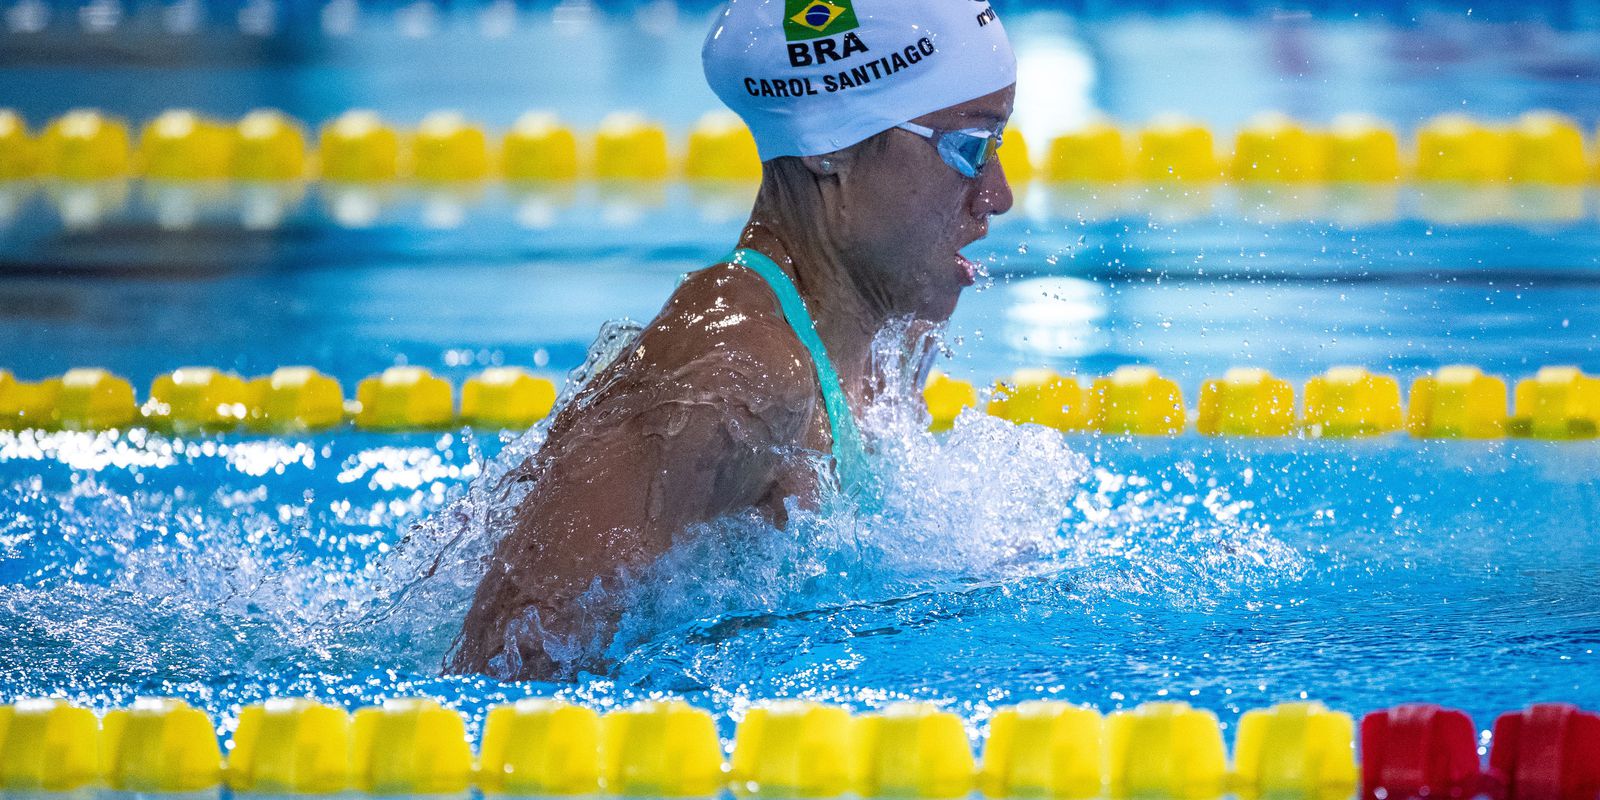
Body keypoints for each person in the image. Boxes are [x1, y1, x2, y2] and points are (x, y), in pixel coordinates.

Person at [447, 0, 1017, 681]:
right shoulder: (735, 377)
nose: (998, 194)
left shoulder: (893, 336)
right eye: (970, 149)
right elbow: (501, 668)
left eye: (999, 147)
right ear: (829, 147)